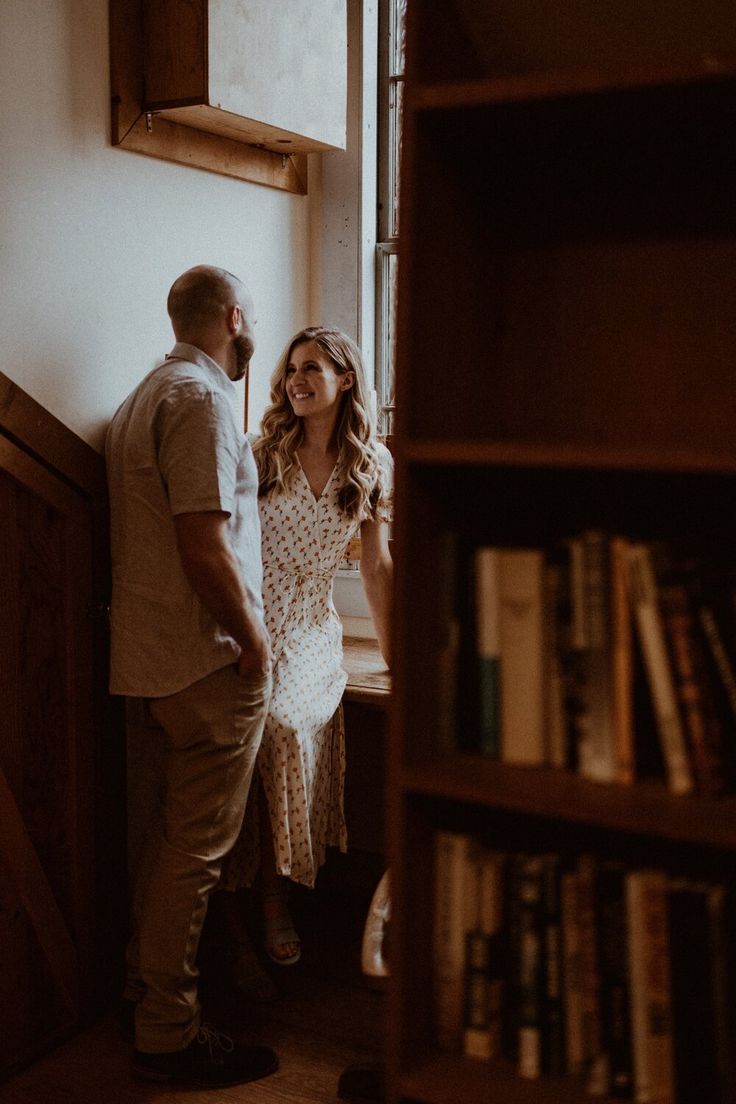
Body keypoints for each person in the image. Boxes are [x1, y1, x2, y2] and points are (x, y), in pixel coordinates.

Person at [105, 264, 278, 1088]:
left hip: (151, 661)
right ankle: (168, 1030)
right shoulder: (202, 401)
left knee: (168, 840)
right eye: (254, 321)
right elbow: (203, 541)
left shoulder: (146, 392)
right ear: (234, 316)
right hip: (207, 660)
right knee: (198, 851)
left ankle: (146, 988)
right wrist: (256, 641)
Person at [218, 325, 393, 970]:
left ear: (344, 379)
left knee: (287, 725)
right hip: (251, 614)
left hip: (314, 625)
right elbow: (227, 544)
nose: (295, 379)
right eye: (291, 368)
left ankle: (272, 893)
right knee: (248, 731)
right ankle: (242, 905)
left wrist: (396, 655)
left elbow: (375, 568)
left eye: (311, 368)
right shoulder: (261, 452)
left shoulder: (371, 462)